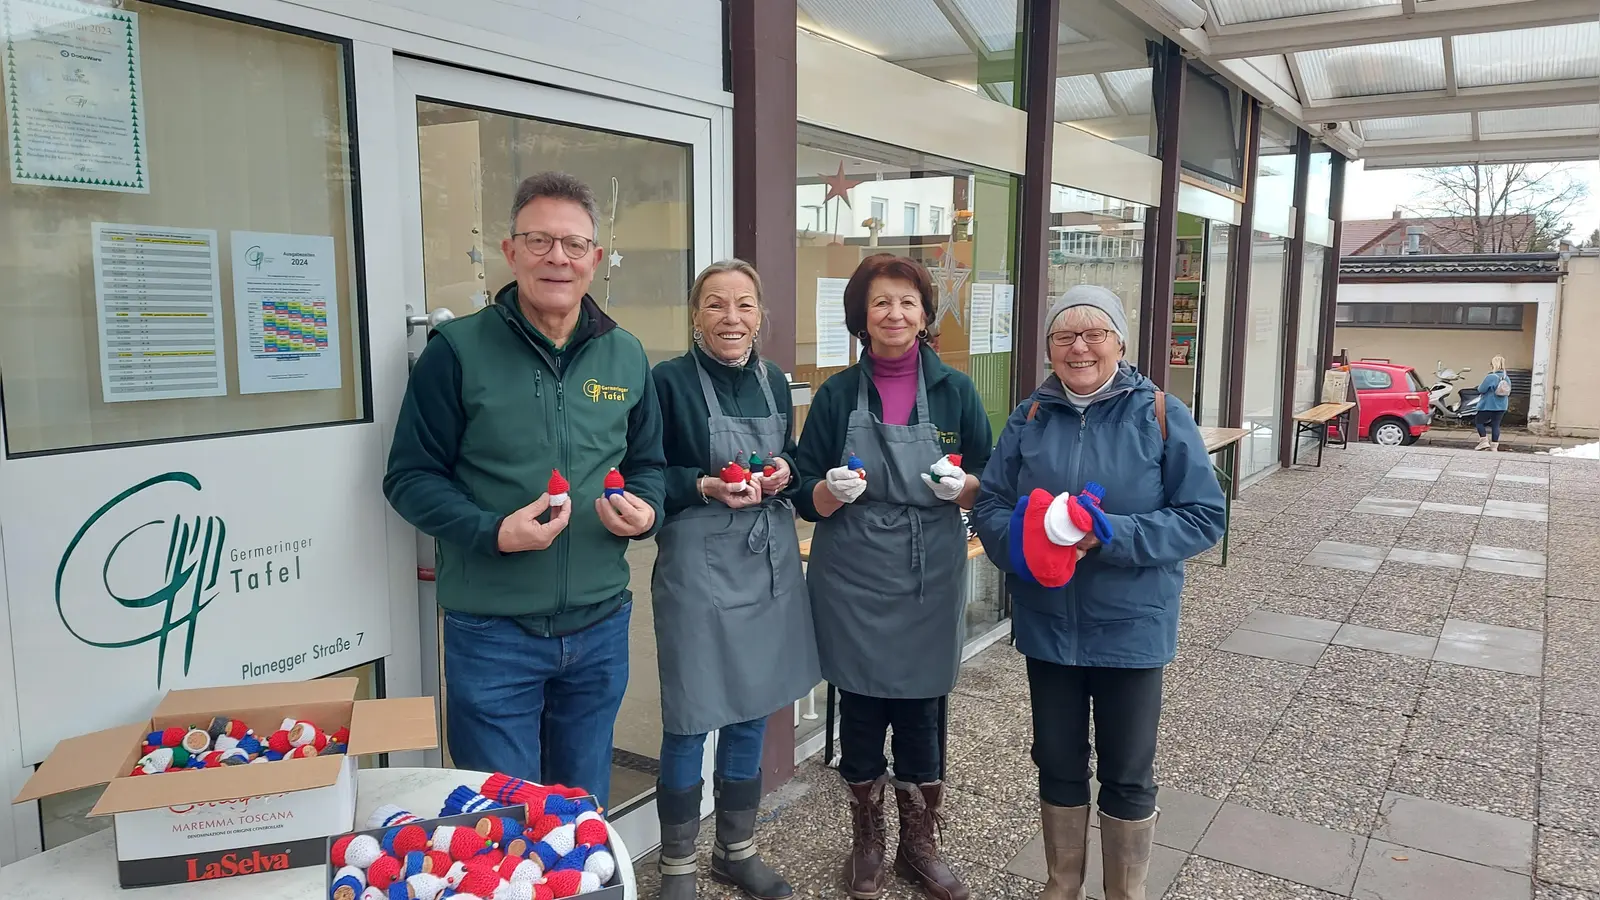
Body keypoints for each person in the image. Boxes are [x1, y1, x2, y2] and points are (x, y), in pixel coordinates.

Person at [383, 171, 665, 809]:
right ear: (509, 253)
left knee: (576, 818)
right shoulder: (456, 352)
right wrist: (492, 531)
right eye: (539, 241)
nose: (556, 258)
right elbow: (409, 478)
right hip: (493, 633)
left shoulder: (625, 355)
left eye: (573, 244)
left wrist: (647, 510)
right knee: (503, 822)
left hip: (598, 627)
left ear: (596, 259)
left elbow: (649, 464)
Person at [972, 285, 1225, 900]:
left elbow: (1203, 516)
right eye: (1064, 336)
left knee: (1128, 773)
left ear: (1119, 341)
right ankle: (1062, 887)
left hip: (1133, 625)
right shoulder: (1030, 414)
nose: (1079, 347)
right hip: (1049, 624)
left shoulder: (1161, 413)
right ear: (1049, 348)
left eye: (1094, 334)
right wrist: (1034, 543)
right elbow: (991, 502)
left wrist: (1109, 537)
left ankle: (1123, 893)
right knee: (1057, 762)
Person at [795, 253, 993, 900]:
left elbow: (992, 487)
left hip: (927, 568)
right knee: (859, 701)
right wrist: (828, 491)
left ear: (925, 313)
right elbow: (802, 489)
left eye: (907, 302)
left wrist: (963, 487)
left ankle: (919, 843)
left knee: (921, 705)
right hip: (851, 568)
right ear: (862, 315)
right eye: (881, 302)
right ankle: (868, 841)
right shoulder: (833, 395)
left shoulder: (956, 392)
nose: (895, 314)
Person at [648, 260, 820, 900]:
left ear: (760, 314)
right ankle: (678, 867)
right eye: (716, 305)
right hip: (697, 557)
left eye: (744, 305)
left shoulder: (775, 379)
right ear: (696, 314)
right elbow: (643, 472)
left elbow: (795, 462)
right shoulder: (666, 381)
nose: (731, 318)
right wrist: (700, 483)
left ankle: (736, 850)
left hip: (766, 554)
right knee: (691, 712)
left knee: (753, 702)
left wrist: (782, 472)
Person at [1474, 355, 1511, 452]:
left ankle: (1484, 441)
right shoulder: (1506, 378)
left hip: (1488, 405)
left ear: (1493, 364)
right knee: (1495, 425)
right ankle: (1494, 446)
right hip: (1502, 406)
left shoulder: (1491, 377)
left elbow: (1481, 389)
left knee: (1479, 422)